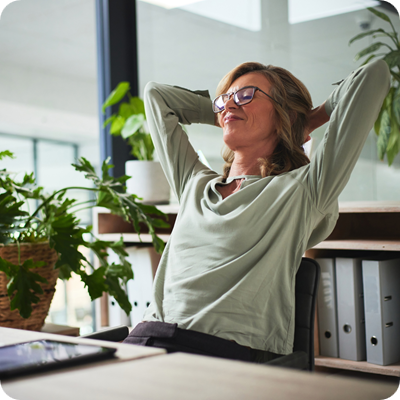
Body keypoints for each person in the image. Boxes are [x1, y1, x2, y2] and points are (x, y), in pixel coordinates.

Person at [123, 60, 390, 363]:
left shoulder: (303, 190)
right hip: (145, 338)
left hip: (218, 353)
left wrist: (305, 121)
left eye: (246, 95)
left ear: (284, 114)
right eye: (226, 99)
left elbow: (374, 75)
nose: (230, 105)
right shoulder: (193, 184)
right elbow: (156, 95)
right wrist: (227, 114)